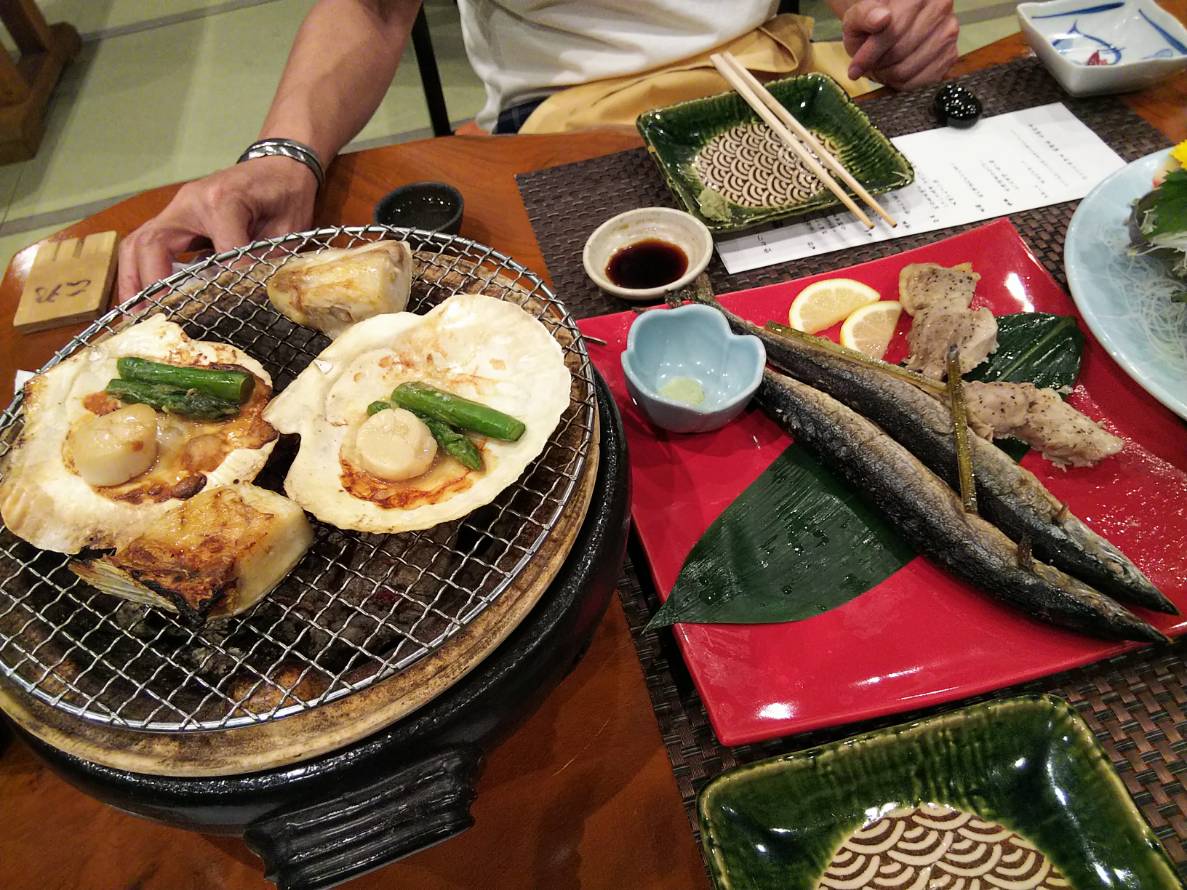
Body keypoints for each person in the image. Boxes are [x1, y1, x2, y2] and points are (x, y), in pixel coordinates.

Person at [118, 0, 959, 299]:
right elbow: (371, 10)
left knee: (910, 283)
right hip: (567, 117)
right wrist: (282, 155)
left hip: (774, 75)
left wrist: (892, 16)